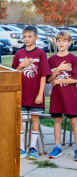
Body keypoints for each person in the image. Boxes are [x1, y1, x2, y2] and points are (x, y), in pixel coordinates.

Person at [12, 26, 51, 160]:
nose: (27, 39)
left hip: (35, 94)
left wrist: (40, 94)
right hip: (22, 94)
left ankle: (32, 147)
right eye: (24, 37)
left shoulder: (40, 54)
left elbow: (43, 76)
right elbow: (14, 74)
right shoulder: (18, 54)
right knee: (20, 119)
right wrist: (21, 66)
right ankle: (22, 148)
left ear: (36, 37)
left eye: (29, 36)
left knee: (35, 118)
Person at [47, 30, 77, 161]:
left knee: (74, 121)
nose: (61, 43)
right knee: (57, 120)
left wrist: (58, 81)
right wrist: (58, 69)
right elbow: (49, 79)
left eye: (64, 41)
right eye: (59, 40)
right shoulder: (51, 60)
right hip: (57, 96)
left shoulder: (73, 59)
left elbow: (75, 79)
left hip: (70, 96)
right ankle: (57, 147)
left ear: (70, 43)